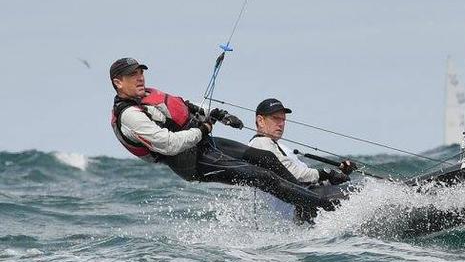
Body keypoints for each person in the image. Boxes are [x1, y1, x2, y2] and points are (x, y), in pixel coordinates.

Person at [109, 57, 338, 213]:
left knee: (265, 158)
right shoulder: (129, 115)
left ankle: (305, 194)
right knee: (262, 176)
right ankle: (325, 209)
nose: (140, 78)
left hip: (203, 144)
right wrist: (202, 129)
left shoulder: (148, 95)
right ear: (118, 83)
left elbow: (185, 105)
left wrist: (219, 113)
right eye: (132, 75)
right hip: (191, 162)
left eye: (140, 72)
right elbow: (169, 145)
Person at [247, 98, 355, 186]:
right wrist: (327, 173)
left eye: (283, 120)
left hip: (306, 201)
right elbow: (293, 174)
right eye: (276, 118)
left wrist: (338, 175)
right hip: (293, 208)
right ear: (260, 121)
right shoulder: (260, 144)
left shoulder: (280, 147)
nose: (281, 124)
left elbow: (306, 179)